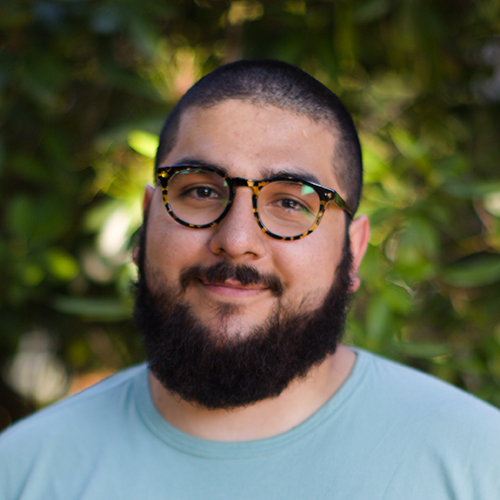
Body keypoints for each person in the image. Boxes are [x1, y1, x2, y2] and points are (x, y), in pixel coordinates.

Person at [1, 59, 499, 499]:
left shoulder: (478, 462)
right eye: (199, 191)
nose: (236, 239)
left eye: (290, 202)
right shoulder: (22, 472)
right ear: (147, 220)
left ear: (354, 250)